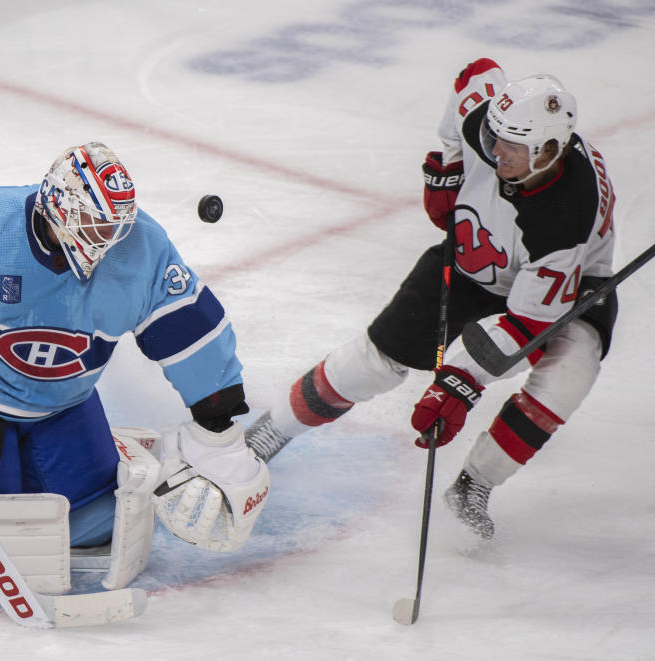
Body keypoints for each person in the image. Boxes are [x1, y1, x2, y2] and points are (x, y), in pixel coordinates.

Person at [245, 58, 617, 540]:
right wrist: (449, 165)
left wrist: (458, 384)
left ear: (547, 152)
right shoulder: (491, 123)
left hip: (569, 284)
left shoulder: (564, 219)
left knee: (571, 370)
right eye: (492, 137)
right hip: (474, 260)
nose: (495, 150)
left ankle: (474, 484)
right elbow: (476, 73)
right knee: (375, 360)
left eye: (510, 147)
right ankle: (268, 432)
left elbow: (523, 326)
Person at [0, 140, 269, 553]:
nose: (109, 237)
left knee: (102, 523)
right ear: (61, 208)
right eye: (95, 222)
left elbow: (190, 327)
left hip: (64, 407)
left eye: (116, 223)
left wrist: (219, 429)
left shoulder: (139, 248)